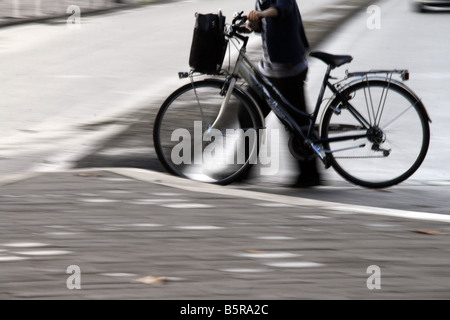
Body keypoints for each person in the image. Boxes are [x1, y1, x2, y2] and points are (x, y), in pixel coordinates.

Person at [245, 0, 321, 188]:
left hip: (289, 70)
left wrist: (261, 14)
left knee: (296, 124)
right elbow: (261, 26)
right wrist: (251, 22)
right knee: (247, 112)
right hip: (268, 71)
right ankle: (244, 169)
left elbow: (280, 10)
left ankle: (310, 175)